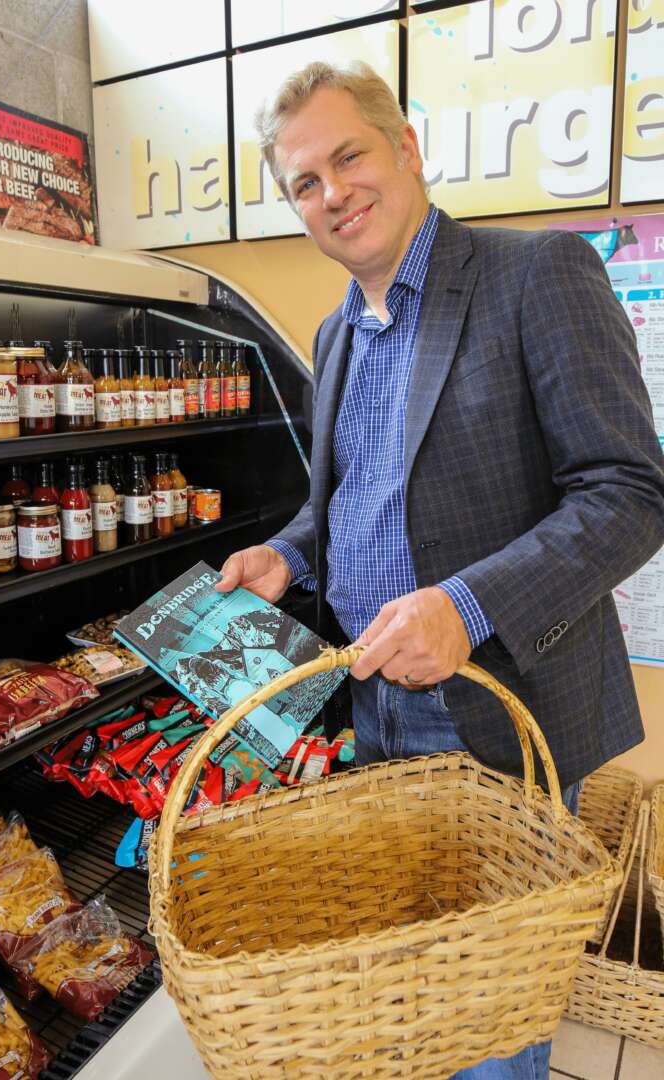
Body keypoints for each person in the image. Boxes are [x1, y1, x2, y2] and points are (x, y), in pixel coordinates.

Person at [215, 60, 664, 1079]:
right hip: (373, 712)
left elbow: (630, 492)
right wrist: (287, 554)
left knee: (493, 1027)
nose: (334, 192)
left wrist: (467, 606)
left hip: (502, 711)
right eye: (305, 183)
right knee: (416, 997)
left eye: (349, 157)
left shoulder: (535, 275)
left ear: (407, 147)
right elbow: (349, 503)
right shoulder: (335, 332)